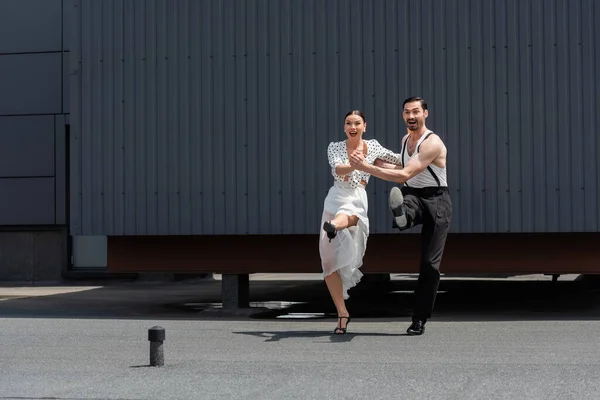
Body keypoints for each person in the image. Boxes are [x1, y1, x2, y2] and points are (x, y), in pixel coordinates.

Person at [349, 97, 452, 336]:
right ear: (403, 116)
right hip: (412, 194)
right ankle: (403, 215)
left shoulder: (432, 143)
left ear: (425, 113)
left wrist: (367, 168)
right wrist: (375, 161)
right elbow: (400, 170)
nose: (411, 116)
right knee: (406, 199)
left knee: (429, 265)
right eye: (407, 112)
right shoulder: (406, 140)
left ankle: (419, 320)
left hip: (437, 201)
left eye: (416, 111)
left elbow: (404, 172)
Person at [320, 110, 403, 334]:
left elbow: (397, 159)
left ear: (364, 126)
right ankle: (342, 313)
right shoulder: (334, 147)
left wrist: (415, 156)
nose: (352, 127)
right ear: (344, 127)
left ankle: (335, 226)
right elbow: (337, 169)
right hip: (335, 195)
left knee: (348, 215)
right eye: (348, 123)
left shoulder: (373, 146)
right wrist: (356, 164)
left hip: (356, 195)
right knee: (328, 263)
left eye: (357, 123)